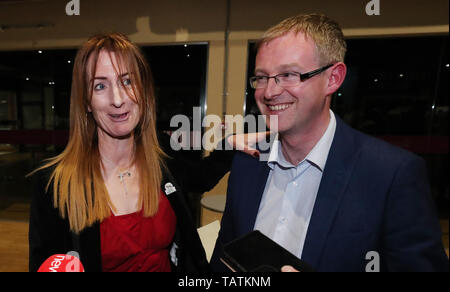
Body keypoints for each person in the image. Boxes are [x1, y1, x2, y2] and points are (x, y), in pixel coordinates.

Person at [211, 14, 449, 272]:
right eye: (262, 77)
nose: (269, 92)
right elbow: (223, 264)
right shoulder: (248, 162)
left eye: (288, 74)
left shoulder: (392, 175)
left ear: (333, 78)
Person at [28, 33, 261, 272]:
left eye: (127, 81)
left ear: (143, 89)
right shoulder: (54, 184)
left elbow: (200, 177)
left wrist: (228, 145)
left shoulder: (161, 153)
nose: (117, 99)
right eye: (100, 86)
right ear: (86, 102)